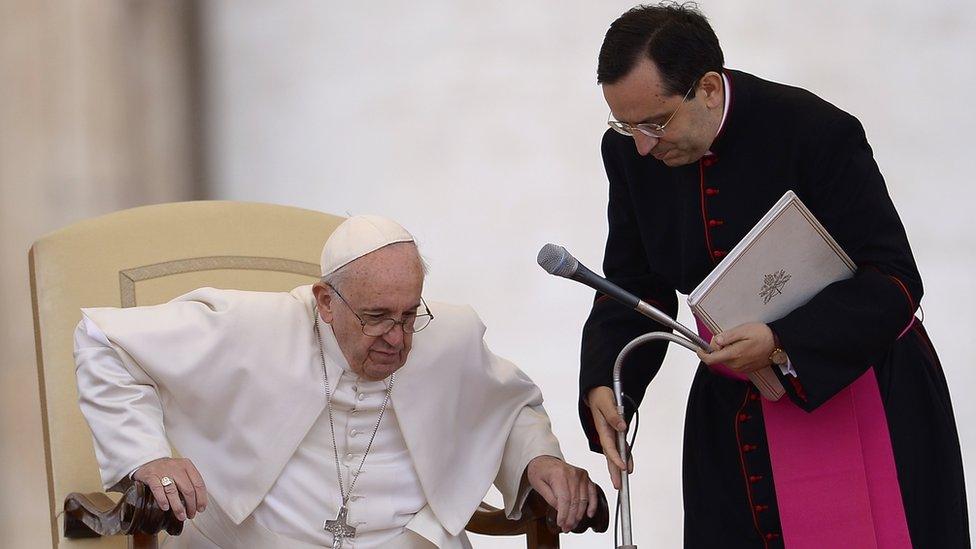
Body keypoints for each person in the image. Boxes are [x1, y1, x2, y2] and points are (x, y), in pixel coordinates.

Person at [578, 3, 968, 548]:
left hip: (861, 390)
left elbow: (897, 281)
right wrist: (606, 379)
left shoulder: (815, 131)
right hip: (736, 419)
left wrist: (783, 343)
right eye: (624, 124)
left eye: (655, 123)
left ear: (708, 89)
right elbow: (636, 277)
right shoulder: (630, 154)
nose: (642, 145)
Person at [75, 214, 598, 549]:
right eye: (376, 317)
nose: (398, 338)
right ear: (325, 302)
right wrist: (145, 454)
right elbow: (103, 339)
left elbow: (505, 412)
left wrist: (539, 461)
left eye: (409, 314)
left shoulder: (451, 333)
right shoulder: (249, 325)